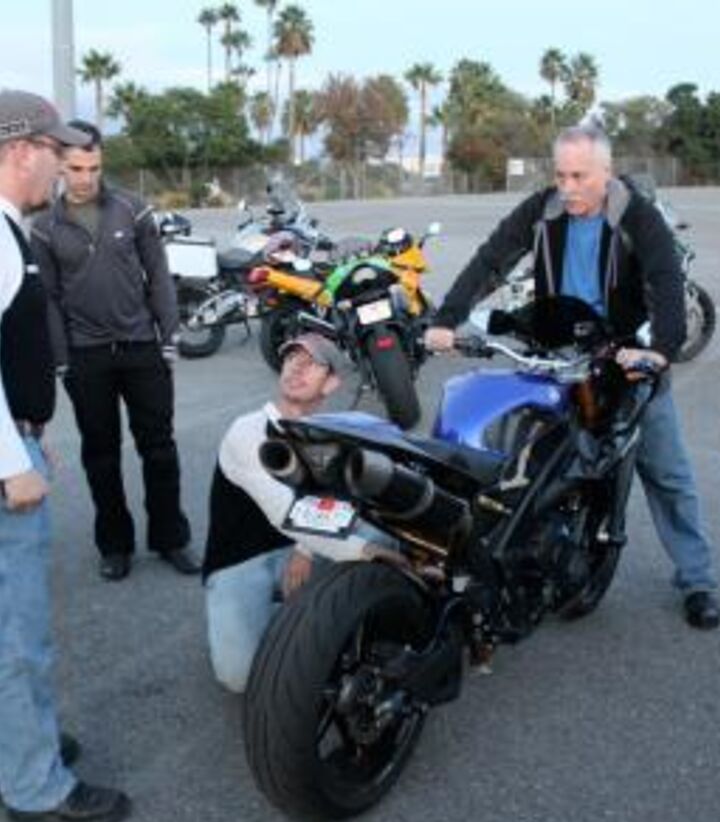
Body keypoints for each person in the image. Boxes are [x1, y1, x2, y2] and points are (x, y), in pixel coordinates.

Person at [425, 123, 719, 630]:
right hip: (558, 352)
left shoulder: (636, 216)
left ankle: (699, 580)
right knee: (522, 457)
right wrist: (447, 319)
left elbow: (666, 281)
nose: (568, 187)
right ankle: (514, 560)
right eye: (560, 175)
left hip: (626, 358)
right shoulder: (542, 210)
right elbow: (490, 260)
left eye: (580, 176)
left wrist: (660, 350)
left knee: (667, 473)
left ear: (606, 171)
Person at [0, 89, 130, 822]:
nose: (65, 166)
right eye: (57, 151)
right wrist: (8, 458)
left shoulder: (8, 227)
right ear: (22, 151)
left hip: (13, 436)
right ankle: (34, 784)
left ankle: (25, 742)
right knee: (18, 636)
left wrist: (26, 423)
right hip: (2, 466)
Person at [31, 120, 198, 581]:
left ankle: (170, 538)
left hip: (142, 347)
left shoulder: (133, 209)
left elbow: (158, 274)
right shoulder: (44, 228)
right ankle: (114, 545)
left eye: (94, 168)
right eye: (76, 168)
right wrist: (62, 359)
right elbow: (48, 298)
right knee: (101, 455)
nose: (85, 178)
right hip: (86, 356)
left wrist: (168, 335)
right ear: (60, 166)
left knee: (159, 449)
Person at [203, 333, 406, 693]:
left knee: (379, 530)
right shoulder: (246, 431)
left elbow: (335, 501)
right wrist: (364, 552)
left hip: (294, 549)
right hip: (240, 561)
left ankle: (331, 618)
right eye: (291, 358)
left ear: (330, 383)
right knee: (241, 678)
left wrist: (305, 550)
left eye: (311, 363)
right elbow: (286, 511)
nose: (296, 368)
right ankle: (290, 619)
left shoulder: (326, 433)